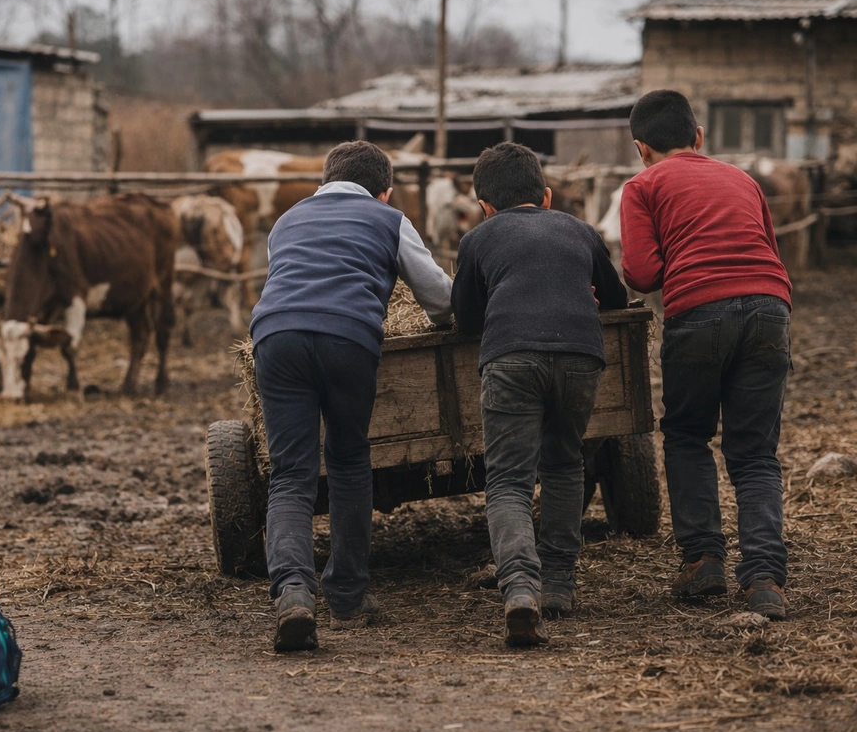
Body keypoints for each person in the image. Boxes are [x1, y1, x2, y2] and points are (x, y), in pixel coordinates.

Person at [250, 140, 453, 652]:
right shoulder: (388, 219)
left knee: (291, 474)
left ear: (322, 182)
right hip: (347, 337)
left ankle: (294, 593)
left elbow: (288, 277)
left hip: (274, 336)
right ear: (384, 191)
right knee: (346, 460)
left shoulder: (287, 220)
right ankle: (346, 594)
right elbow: (438, 296)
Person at [619, 90, 793, 620]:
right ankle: (764, 580)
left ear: (641, 148)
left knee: (689, 433)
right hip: (770, 307)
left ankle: (703, 562)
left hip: (698, 312)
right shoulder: (744, 180)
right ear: (699, 137)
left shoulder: (642, 185)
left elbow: (643, 274)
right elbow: (767, 248)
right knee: (755, 453)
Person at [451, 141, 627, 646]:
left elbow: (465, 321)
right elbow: (614, 300)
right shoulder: (580, 230)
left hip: (511, 358)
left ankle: (520, 589)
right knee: (565, 463)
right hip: (579, 357)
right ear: (547, 195)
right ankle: (558, 586)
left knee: (507, 480)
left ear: (485, 206)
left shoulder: (478, 239)